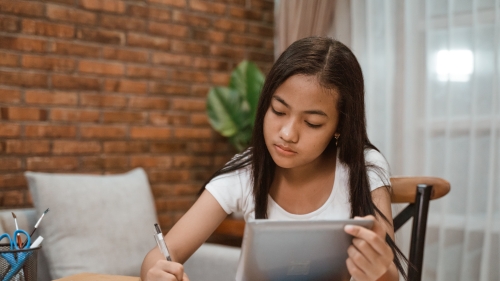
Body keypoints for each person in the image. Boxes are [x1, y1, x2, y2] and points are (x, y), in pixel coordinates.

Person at [141, 36, 406, 281]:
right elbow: (160, 255)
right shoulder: (247, 170)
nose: (288, 134)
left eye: (312, 123)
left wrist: (379, 268)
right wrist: (157, 273)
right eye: (279, 111)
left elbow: (389, 274)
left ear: (340, 126)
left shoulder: (365, 168)